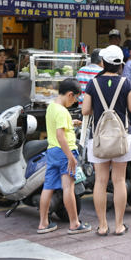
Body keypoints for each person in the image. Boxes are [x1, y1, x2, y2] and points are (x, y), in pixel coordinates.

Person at [81, 45, 131, 236]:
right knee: (119, 180)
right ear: (120, 64)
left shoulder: (92, 83)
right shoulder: (126, 82)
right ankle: (119, 225)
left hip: (98, 138)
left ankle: (103, 225)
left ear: (103, 62)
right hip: (121, 137)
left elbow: (85, 111)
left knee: (100, 181)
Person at [38, 78, 90, 235]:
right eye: (75, 98)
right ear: (70, 94)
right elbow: (61, 136)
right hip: (64, 152)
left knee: (48, 187)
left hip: (52, 151)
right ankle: (74, 223)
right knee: (68, 187)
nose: (74, 102)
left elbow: (57, 127)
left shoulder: (52, 107)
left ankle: (43, 223)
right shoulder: (62, 111)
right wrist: (70, 157)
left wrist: (70, 123)